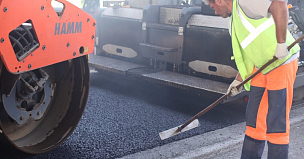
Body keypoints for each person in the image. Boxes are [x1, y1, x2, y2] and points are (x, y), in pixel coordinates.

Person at [204, 0, 300, 158]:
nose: (214, 11)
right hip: (262, 67)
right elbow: (248, 55)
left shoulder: (245, 2)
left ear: (220, 0)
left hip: (281, 63)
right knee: (254, 120)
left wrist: (281, 44)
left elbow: (280, 3)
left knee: (276, 122)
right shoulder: (234, 22)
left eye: (212, 6)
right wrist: (238, 80)